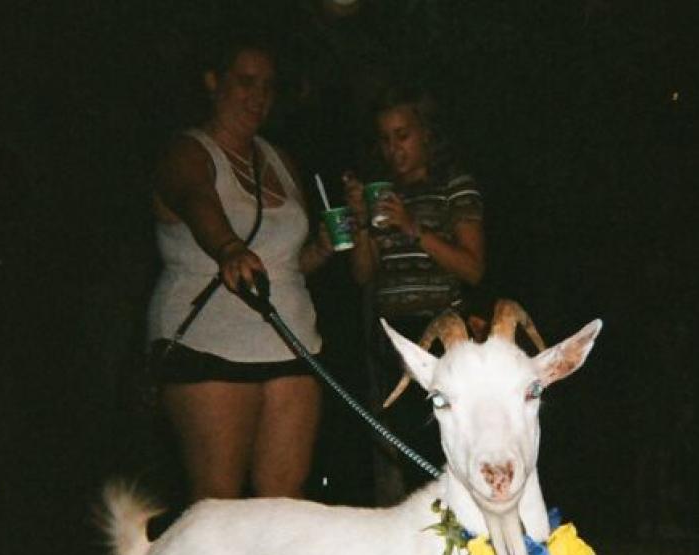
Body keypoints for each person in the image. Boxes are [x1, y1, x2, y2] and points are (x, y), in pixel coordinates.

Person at [147, 35, 334, 507]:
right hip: (212, 344)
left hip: (290, 341)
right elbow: (196, 199)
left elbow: (287, 261)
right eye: (245, 82)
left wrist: (324, 249)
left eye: (268, 86)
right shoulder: (188, 151)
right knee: (218, 502)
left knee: (284, 500)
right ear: (214, 83)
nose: (258, 96)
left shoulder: (279, 159)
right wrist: (228, 248)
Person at [342, 84, 486, 500]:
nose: (394, 148)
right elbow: (363, 274)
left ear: (425, 134)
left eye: (402, 135)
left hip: (443, 336)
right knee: (408, 453)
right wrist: (362, 221)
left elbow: (473, 268)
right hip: (394, 341)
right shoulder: (383, 193)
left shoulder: (453, 184)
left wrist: (411, 228)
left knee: (450, 447)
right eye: (385, 139)